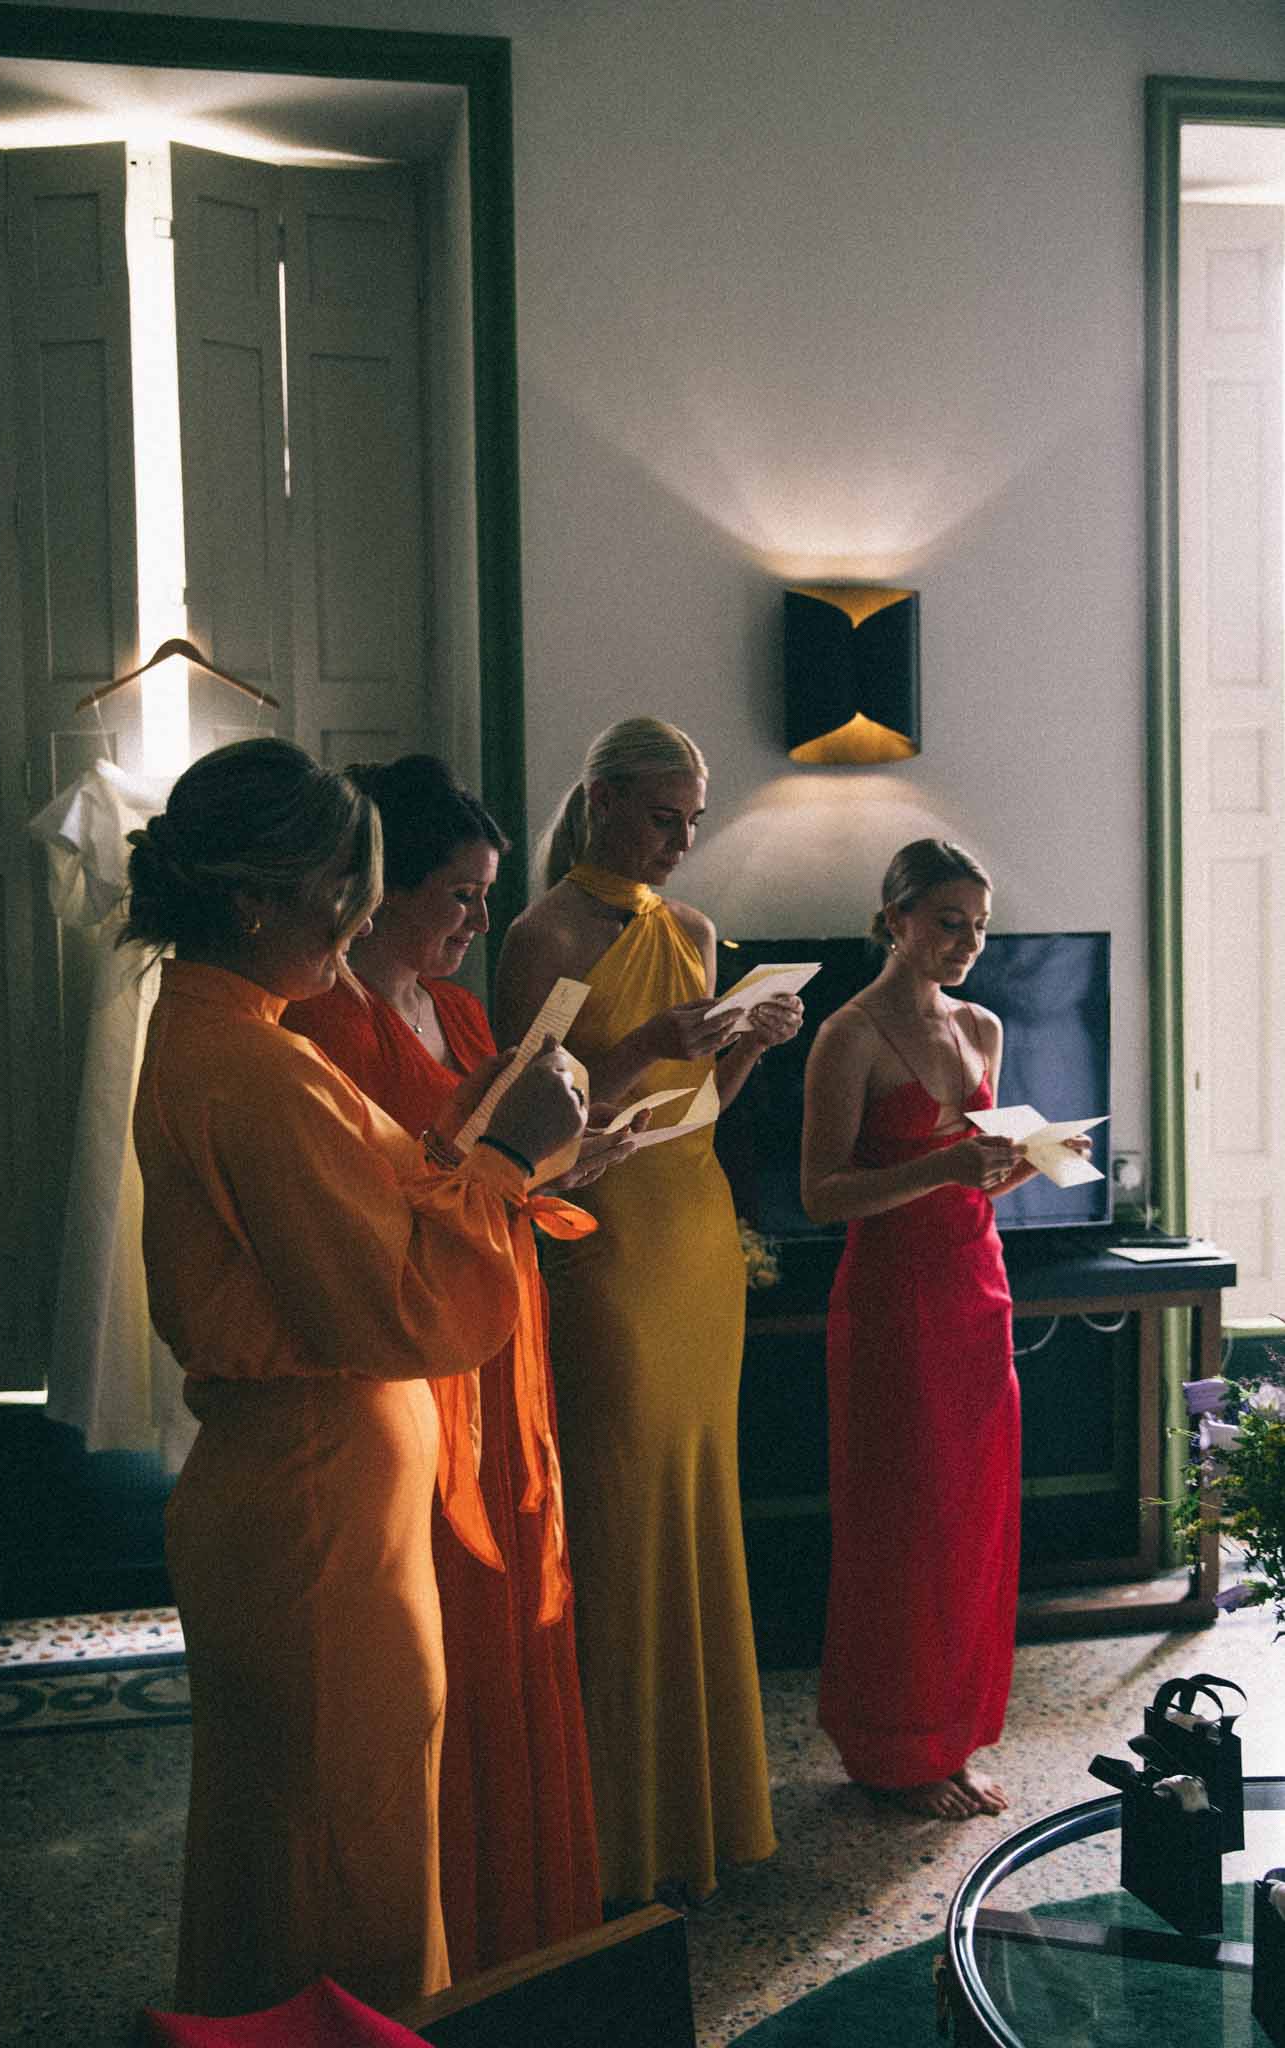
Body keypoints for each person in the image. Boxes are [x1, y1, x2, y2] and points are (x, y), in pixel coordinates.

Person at [123, 737, 585, 2016]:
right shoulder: (256, 1065)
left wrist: (477, 1137)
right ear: (255, 898)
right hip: (315, 1509)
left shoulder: (227, 1029)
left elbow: (376, 1190)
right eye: (346, 888)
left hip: (315, 1498)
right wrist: (508, 1161)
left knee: (304, 1837)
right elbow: (393, 1301)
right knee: (346, 1857)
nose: (360, 915)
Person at [283, 753, 610, 1975]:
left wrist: (582, 1146)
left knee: (519, 1592)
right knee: (442, 1620)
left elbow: (505, 1170)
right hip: (415, 1350)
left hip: (503, 1325)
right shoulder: (323, 1025)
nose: (479, 919)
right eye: (459, 894)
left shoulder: (463, 1014)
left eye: (485, 894)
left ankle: (522, 1916)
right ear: (381, 891)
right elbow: (365, 1210)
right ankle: (446, 1927)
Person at [494, 716, 804, 1906]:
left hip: (694, 1232)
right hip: (606, 1237)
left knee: (697, 1500)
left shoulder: (696, 931)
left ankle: (700, 1812)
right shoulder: (543, 934)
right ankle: (614, 1831)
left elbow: (700, 1104)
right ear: (604, 800)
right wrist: (637, 1045)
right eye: (663, 817)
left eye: (692, 821)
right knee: (620, 1512)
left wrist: (747, 1044)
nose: (680, 841)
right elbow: (526, 1116)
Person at [800, 838, 1068, 1820]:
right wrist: (938, 1169)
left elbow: (981, 1174)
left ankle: (950, 1737)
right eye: (949, 922)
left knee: (973, 1520)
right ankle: (892, 1749)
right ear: (895, 918)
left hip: (976, 1291)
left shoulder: (982, 1026)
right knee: (903, 1527)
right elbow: (821, 1193)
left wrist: (1030, 1159)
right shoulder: (849, 1035)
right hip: (893, 1302)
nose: (967, 943)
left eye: (980, 926)